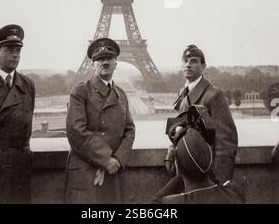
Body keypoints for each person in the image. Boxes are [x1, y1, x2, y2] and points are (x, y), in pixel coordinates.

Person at [155, 44, 238, 200]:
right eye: (185, 61)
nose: (188, 65)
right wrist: (171, 153)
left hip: (206, 178)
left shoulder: (214, 95)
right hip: (186, 172)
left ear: (203, 66)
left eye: (193, 61)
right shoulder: (183, 92)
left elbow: (226, 142)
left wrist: (220, 180)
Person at [64, 37, 135, 204]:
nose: (105, 62)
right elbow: (75, 130)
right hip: (86, 170)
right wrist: (105, 160)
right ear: (92, 64)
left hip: (112, 170)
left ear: (116, 63)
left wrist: (117, 160)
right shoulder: (80, 91)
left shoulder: (121, 94)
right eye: (100, 59)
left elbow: (129, 130)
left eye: (109, 58)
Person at [0, 24, 35, 204]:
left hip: (20, 163)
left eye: (18, 50)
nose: (16, 55)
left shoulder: (28, 85)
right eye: (10, 50)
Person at [162, 128, 244, 204]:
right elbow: (219, 183)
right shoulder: (235, 194)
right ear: (210, 159)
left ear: (177, 165)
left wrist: (173, 159)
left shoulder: (171, 202)